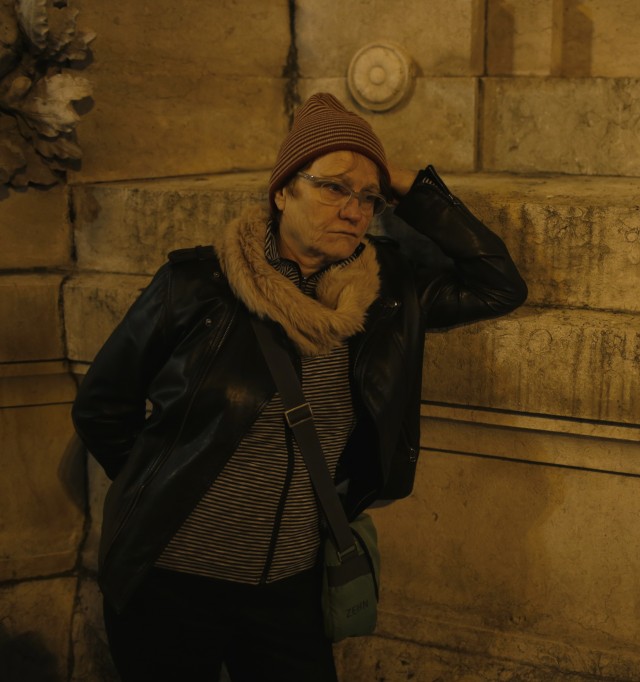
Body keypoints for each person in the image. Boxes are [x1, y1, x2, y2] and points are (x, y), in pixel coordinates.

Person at [71, 93, 528, 682]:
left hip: (290, 587)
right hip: (173, 576)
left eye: (368, 197)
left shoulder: (384, 296)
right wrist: (163, 484)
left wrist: (409, 187)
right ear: (283, 191)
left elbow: (498, 284)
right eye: (333, 187)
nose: (354, 209)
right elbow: (102, 406)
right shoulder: (195, 287)